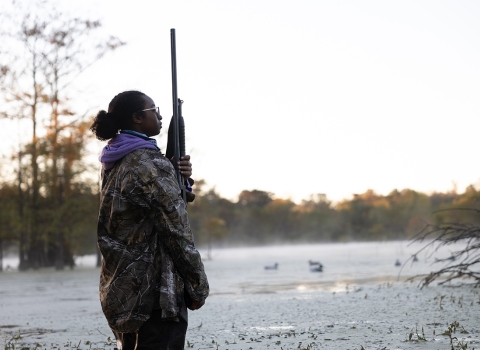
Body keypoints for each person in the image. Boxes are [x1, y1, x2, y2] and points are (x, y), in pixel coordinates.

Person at [90, 90, 209, 350]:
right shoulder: (148, 162)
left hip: (122, 289)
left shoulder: (116, 158)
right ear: (137, 118)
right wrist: (198, 283)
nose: (160, 115)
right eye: (154, 110)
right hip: (155, 293)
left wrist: (178, 178)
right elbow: (176, 228)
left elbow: (143, 206)